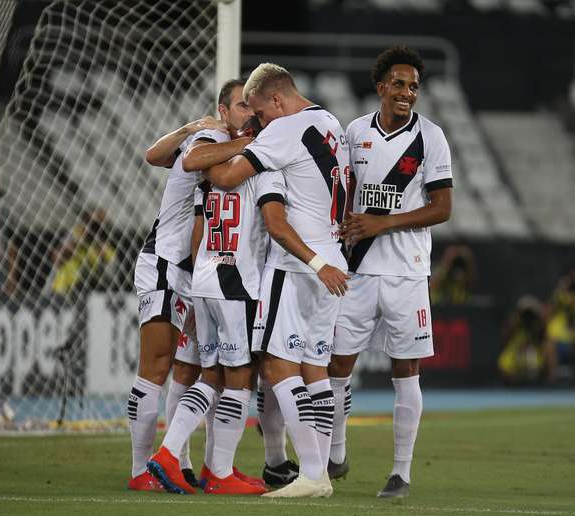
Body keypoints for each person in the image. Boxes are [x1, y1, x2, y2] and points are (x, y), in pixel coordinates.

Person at [183, 63, 351, 498]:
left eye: (260, 112)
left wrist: (233, 144)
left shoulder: (283, 130)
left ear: (277, 100)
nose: (258, 122)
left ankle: (312, 474)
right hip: (332, 259)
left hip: (300, 263)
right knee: (314, 367)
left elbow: (223, 177)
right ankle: (322, 470)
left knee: (277, 366)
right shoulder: (329, 121)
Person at [326, 46, 453, 498]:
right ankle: (335, 454)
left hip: (406, 272)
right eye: (399, 84)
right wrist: (341, 223)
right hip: (356, 269)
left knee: (406, 370)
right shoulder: (355, 131)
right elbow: (346, 190)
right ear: (381, 87)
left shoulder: (431, 137)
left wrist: (384, 222)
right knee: (336, 365)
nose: (407, 93)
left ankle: (400, 472)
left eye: (414, 86)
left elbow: (442, 208)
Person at [146, 80, 270, 496]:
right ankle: (211, 470)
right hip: (235, 280)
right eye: (243, 108)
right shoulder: (258, 159)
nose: (252, 117)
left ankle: (195, 463)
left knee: (212, 374)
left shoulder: (215, 170)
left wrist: (199, 285)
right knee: (238, 378)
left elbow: (200, 226)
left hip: (207, 277)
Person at [126, 93, 230, 491]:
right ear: (224, 112)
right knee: (155, 368)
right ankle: (140, 471)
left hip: (196, 274)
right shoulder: (211, 142)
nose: (249, 115)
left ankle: (181, 464)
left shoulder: (227, 145)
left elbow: (157, 157)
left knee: (190, 370)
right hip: (168, 266)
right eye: (241, 107)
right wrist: (191, 128)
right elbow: (160, 155)